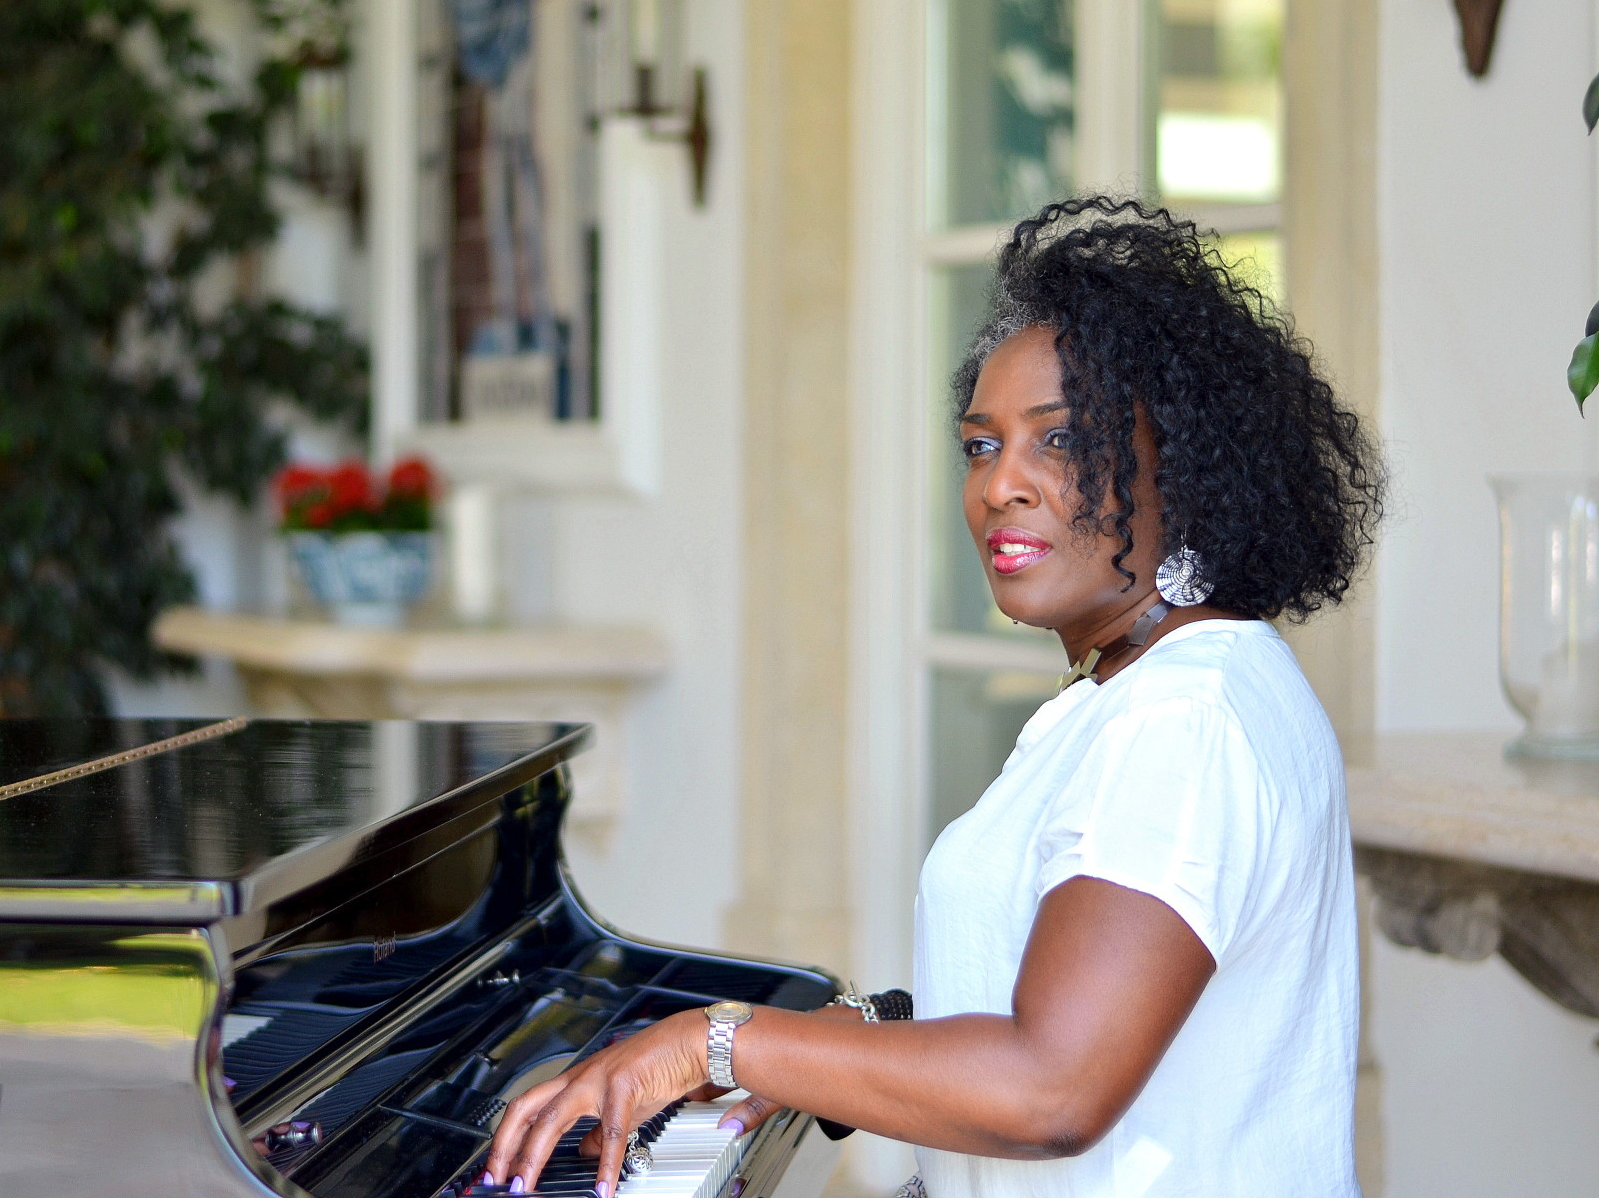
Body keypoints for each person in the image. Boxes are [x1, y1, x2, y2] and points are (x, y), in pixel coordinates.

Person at [481, 198, 1385, 1197]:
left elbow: (1052, 1089)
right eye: (980, 445)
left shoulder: (1181, 720)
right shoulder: (1169, 685)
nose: (1001, 484)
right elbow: (1092, 1008)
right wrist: (853, 1036)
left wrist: (716, 1043)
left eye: (1058, 439)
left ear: (1178, 460)